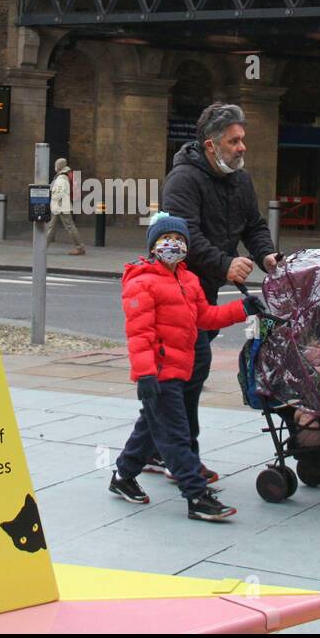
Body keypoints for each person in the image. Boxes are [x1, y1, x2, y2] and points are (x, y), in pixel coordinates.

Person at [108, 213, 264, 521]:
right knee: (175, 435)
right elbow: (139, 335)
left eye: (180, 240)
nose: (174, 244)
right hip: (160, 373)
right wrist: (145, 375)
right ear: (153, 246)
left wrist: (242, 309)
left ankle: (122, 477)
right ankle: (196, 496)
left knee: (152, 429)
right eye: (167, 239)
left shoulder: (188, 280)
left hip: (181, 370)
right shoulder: (142, 283)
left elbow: (205, 318)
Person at [158, 103, 278, 482]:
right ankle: (183, 458)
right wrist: (225, 263)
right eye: (234, 140)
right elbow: (183, 237)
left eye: (243, 139)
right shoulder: (183, 180)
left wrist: (266, 254)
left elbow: (254, 225)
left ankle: (157, 450)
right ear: (211, 145)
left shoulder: (240, 180)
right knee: (190, 371)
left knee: (175, 379)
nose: (242, 147)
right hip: (178, 292)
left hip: (204, 292)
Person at [45, 157, 85, 256]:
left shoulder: (62, 177)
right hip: (61, 205)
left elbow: (59, 193)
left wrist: (53, 200)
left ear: (58, 166)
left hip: (61, 206)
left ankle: (79, 247)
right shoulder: (66, 175)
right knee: (52, 226)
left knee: (69, 226)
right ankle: (42, 247)